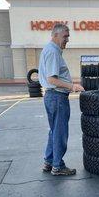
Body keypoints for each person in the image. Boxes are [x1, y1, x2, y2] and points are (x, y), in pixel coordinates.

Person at [39, 23, 84, 176]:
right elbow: (52, 79)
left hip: (52, 97)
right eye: (65, 36)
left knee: (54, 131)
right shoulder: (52, 52)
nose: (67, 40)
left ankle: (49, 161)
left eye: (68, 36)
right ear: (55, 35)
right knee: (60, 133)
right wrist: (73, 86)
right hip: (57, 97)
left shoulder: (50, 50)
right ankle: (57, 166)